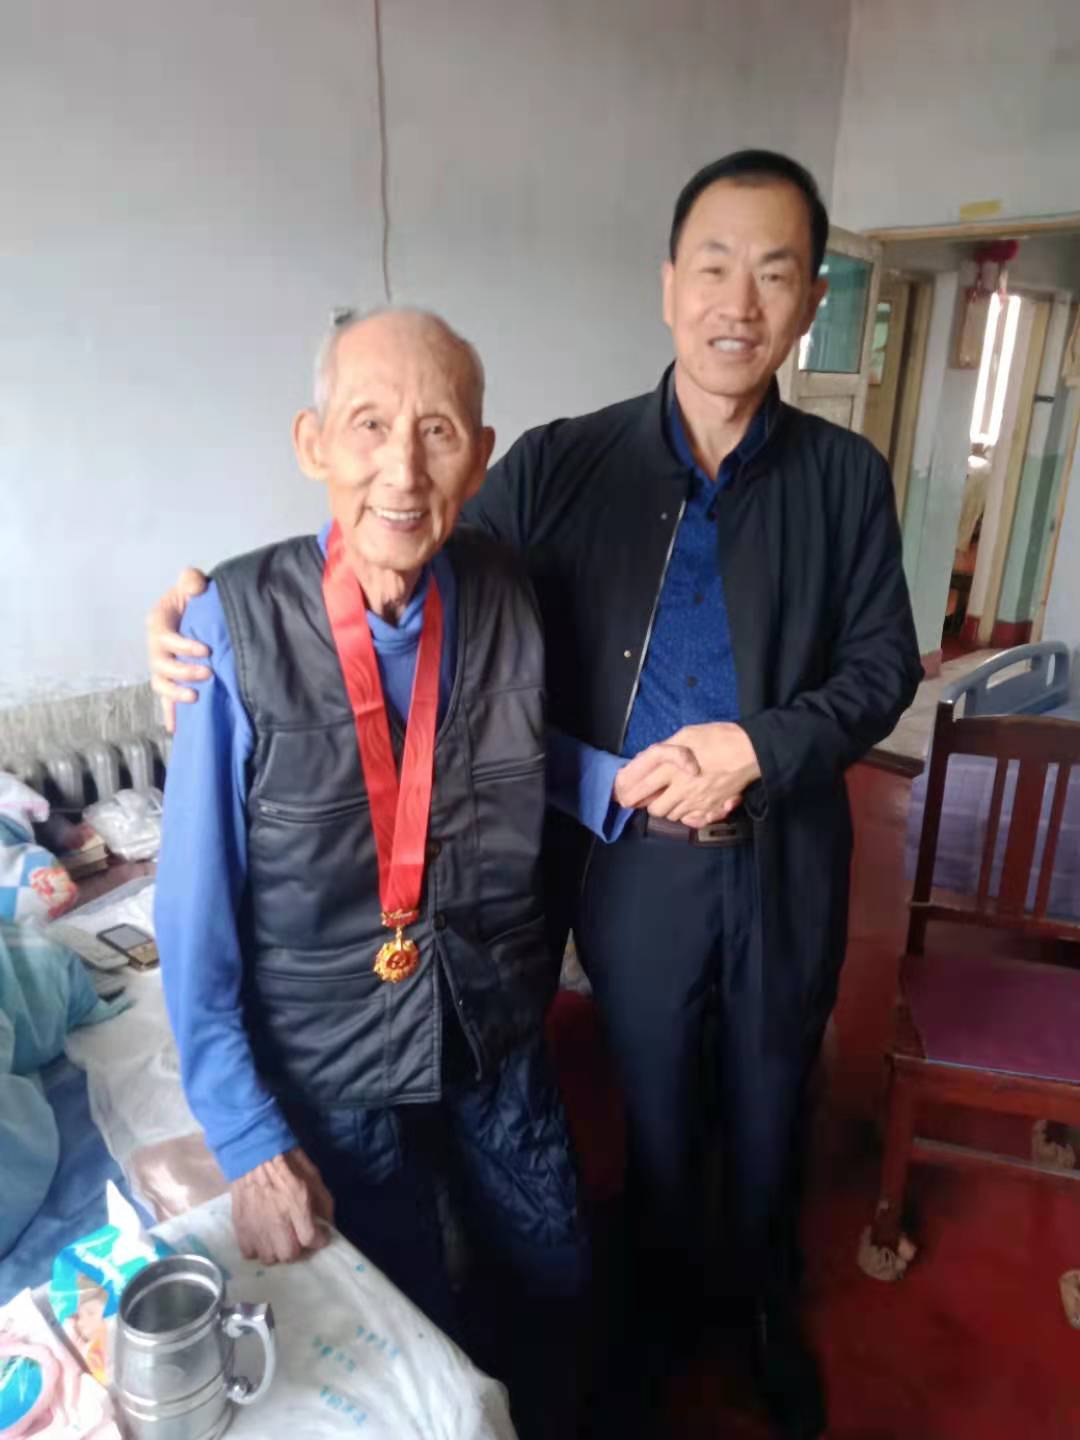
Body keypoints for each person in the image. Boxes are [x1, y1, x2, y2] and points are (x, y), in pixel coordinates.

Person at [148, 151, 922, 1439]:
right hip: (620, 877)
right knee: (647, 1110)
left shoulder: (842, 478)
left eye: (774, 272)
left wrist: (757, 750)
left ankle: (763, 1314)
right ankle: (652, 1327)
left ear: (809, 301)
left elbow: (885, 666)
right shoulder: (565, 465)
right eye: (714, 266)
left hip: (760, 861)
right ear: (668, 285)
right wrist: (202, 615)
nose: (738, 301)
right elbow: (393, 545)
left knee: (774, 1096)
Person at [153, 308, 590, 1440]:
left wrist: (628, 786)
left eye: (438, 431)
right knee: (403, 1313)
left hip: (487, 1012)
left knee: (556, 1268)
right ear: (313, 444)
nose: (403, 469)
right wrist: (246, 1139)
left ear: (479, 459)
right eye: (368, 425)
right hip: (331, 1049)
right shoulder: (229, 626)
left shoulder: (505, 591)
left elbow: (517, 756)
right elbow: (192, 917)